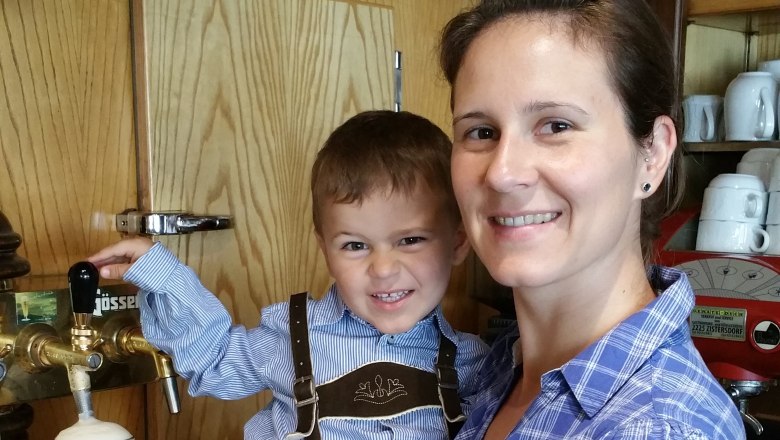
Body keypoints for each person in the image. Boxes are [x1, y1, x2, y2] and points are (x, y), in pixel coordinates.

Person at [438, 1, 746, 439]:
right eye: (481, 132)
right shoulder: (503, 372)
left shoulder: (656, 429)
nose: (502, 173)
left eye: (556, 126)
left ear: (653, 153)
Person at [87, 110, 490, 439]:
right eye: (355, 245)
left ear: (457, 242)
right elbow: (214, 362)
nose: (383, 269)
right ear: (325, 249)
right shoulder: (292, 336)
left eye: (411, 240)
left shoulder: (476, 366)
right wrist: (163, 273)